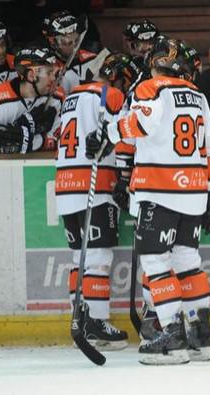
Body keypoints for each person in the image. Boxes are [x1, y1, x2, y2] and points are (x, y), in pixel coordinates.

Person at [86, 38, 210, 365]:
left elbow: (139, 124)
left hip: (159, 189)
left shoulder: (151, 88)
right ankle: (199, 336)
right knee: (187, 260)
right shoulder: (199, 96)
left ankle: (172, 335)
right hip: (193, 192)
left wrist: (110, 132)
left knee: (156, 263)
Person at [55, 53, 135, 351]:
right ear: (117, 77)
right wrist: (125, 177)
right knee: (99, 258)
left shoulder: (71, 97)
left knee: (80, 257)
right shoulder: (110, 94)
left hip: (64, 184)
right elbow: (125, 138)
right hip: (95, 181)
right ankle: (98, 323)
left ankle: (81, 319)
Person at [0, 46, 62, 154]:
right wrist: (25, 141)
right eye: (49, 73)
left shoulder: (57, 98)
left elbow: (53, 143)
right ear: (31, 76)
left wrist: (26, 141)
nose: (54, 78)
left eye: (54, 72)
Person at [42, 10, 97, 94]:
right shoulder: (49, 71)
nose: (75, 45)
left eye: (77, 40)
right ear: (53, 43)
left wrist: (102, 105)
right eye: (68, 43)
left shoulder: (94, 59)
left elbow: (105, 89)